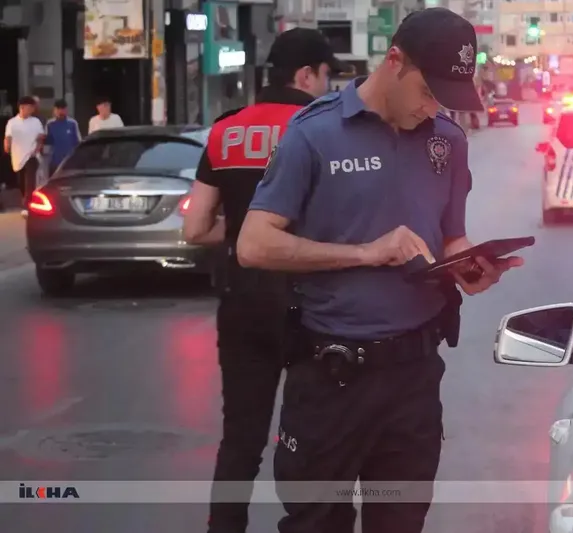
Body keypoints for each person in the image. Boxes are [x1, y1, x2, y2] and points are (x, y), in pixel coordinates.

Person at [237, 8, 522, 533]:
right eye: (428, 91)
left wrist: (467, 265)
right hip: (331, 377)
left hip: (414, 377)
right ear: (394, 61)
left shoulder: (447, 141)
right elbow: (253, 245)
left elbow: (448, 234)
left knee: (401, 522)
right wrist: (366, 253)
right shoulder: (313, 134)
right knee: (317, 522)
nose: (434, 108)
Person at [181, 28, 349, 533]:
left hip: (241, 302)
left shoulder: (226, 130)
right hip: (311, 308)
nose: (329, 88)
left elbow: (194, 228)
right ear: (305, 75)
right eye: (326, 76)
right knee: (320, 437)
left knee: (240, 438)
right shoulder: (323, 128)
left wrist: (239, 234)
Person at [3, 96, 44, 213]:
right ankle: (26, 199)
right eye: (29, 107)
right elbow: (8, 136)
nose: (32, 110)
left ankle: (27, 206)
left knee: (29, 180)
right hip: (18, 156)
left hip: (32, 155)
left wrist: (38, 148)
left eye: (33, 108)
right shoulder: (12, 122)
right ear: (22, 107)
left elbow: (41, 136)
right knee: (21, 182)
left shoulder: (35, 121)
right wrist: (7, 145)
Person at [45, 99, 81, 176]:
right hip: (54, 162)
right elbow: (46, 143)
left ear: (66, 110)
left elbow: (78, 142)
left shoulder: (72, 123)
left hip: (69, 162)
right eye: (58, 109)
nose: (60, 112)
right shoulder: (50, 124)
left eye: (63, 109)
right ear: (54, 110)